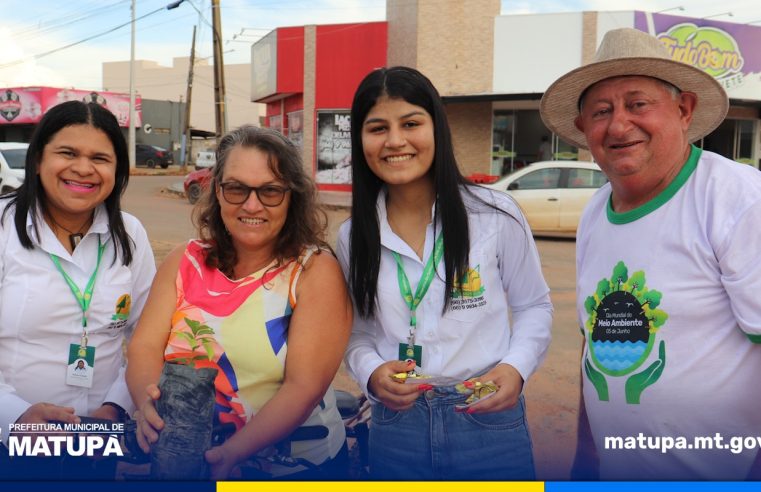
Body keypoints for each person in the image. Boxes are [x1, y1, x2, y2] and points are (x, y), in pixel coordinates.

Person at [540, 27, 761, 480]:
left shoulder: (737, 201)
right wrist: (585, 458)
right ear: (584, 129)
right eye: (601, 111)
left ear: (684, 110)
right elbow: (594, 344)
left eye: (638, 104)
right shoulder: (596, 212)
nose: (619, 125)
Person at [338, 66, 553, 480]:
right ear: (361, 140)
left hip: (485, 414)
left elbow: (533, 305)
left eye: (411, 123)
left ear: (437, 128)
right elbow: (358, 333)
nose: (395, 140)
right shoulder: (353, 236)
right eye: (377, 128)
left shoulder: (494, 215)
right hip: (396, 426)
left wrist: (516, 368)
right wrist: (371, 373)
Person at [126, 125, 352, 480]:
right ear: (218, 191)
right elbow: (144, 347)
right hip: (185, 460)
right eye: (236, 188)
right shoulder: (186, 260)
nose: (251, 204)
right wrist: (146, 404)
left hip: (292, 471)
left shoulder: (313, 270)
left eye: (270, 191)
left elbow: (303, 388)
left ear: (291, 196)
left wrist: (232, 453)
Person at [0, 100, 156, 479]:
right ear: (37, 160)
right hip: (9, 443)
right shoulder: (3, 227)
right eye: (67, 153)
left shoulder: (130, 234)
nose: (83, 169)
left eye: (100, 158)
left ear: (117, 170)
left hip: (95, 445)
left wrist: (115, 408)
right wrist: (14, 416)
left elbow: (148, 339)